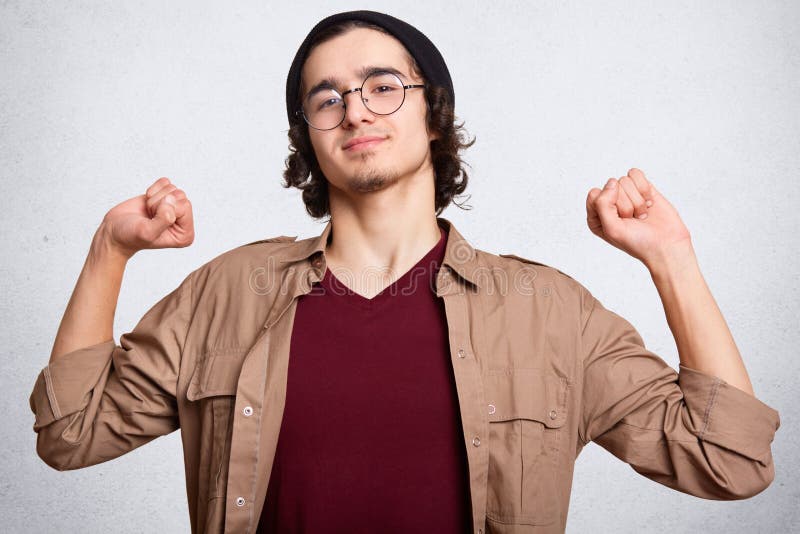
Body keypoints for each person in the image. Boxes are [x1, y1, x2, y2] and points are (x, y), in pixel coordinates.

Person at [29, 10, 780, 534]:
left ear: (432, 114)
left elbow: (729, 462)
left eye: (383, 85)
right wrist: (109, 251)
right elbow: (71, 433)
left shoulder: (550, 312)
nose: (355, 110)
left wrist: (671, 258)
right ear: (309, 137)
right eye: (327, 98)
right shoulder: (227, 293)